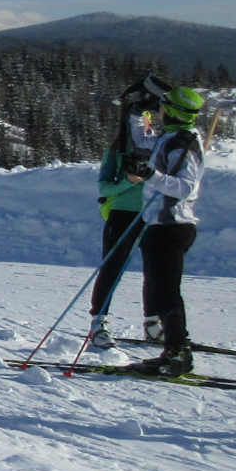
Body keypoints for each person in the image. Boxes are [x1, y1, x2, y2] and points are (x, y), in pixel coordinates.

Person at [124, 83, 206, 377]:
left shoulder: (183, 143)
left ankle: (176, 354)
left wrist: (150, 175)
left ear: (170, 110)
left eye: (163, 105)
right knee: (159, 290)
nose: (158, 109)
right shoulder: (170, 138)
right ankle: (174, 347)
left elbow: (185, 187)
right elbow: (142, 143)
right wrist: (135, 114)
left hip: (172, 226)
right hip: (158, 225)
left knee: (167, 292)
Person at [85, 75, 171, 351]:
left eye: (151, 119)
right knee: (112, 268)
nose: (148, 123)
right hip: (123, 212)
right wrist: (127, 182)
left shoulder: (161, 146)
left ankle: (152, 322)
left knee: (155, 271)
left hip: (154, 214)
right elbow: (103, 187)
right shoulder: (117, 152)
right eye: (144, 118)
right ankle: (98, 323)